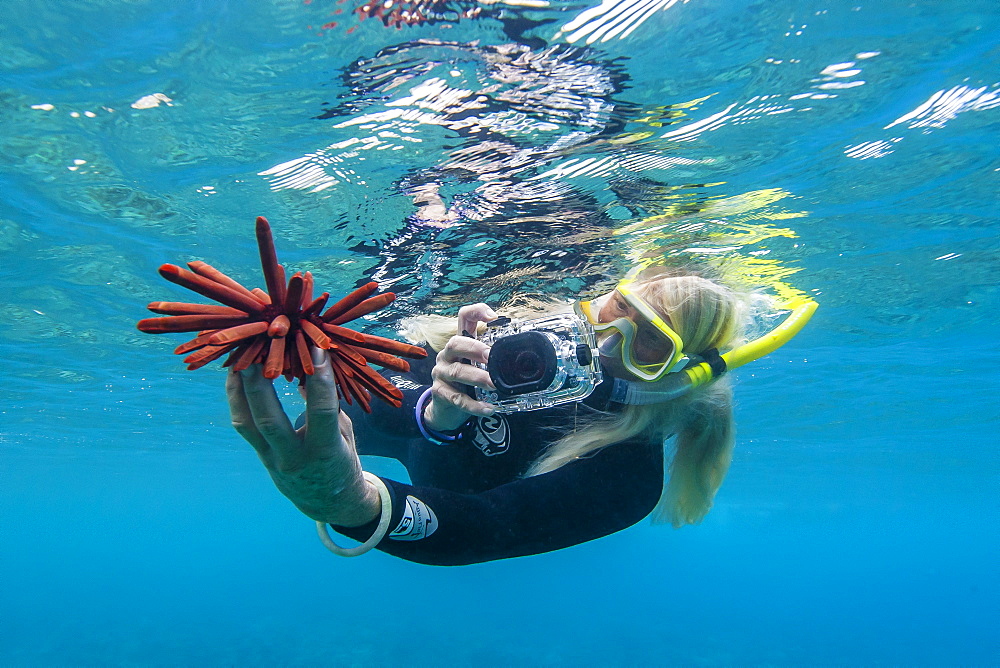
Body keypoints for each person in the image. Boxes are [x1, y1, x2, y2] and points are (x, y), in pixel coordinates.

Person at [227, 265, 748, 566]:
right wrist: (435, 417)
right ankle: (430, 205)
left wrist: (354, 501)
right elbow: (364, 406)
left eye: (646, 347)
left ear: (685, 373)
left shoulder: (626, 477)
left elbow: (490, 525)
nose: (604, 352)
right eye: (604, 323)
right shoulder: (503, 342)